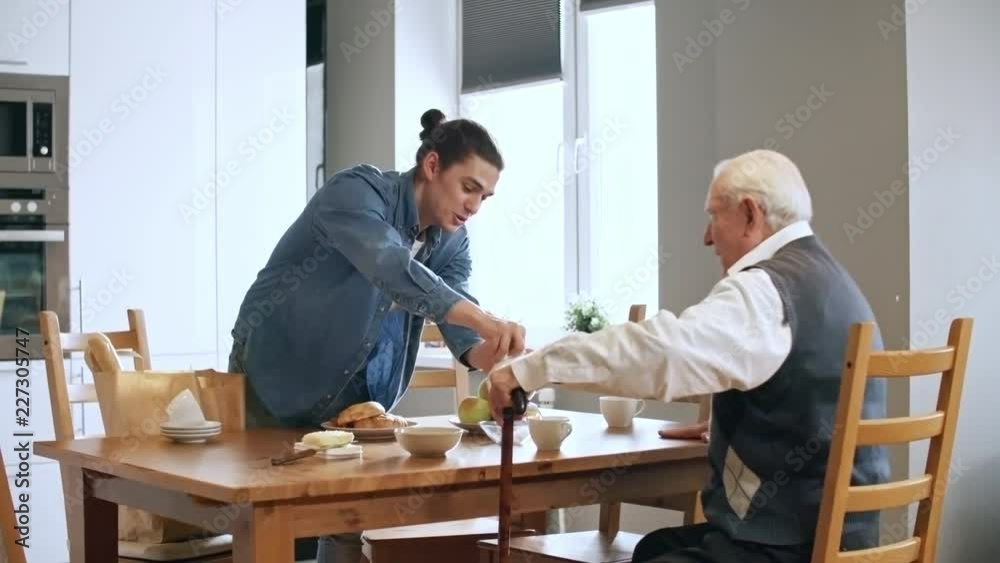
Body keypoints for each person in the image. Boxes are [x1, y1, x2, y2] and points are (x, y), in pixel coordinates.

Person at [487, 149, 890, 563]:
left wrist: (532, 369)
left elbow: (658, 354)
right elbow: (806, 395)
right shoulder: (833, 282)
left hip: (787, 547)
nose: (707, 237)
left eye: (715, 216)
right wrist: (726, 428)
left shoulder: (765, 292)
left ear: (750, 214)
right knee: (653, 548)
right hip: (844, 539)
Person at [228, 109, 526, 562]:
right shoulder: (356, 193)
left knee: (346, 525)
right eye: (469, 187)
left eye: (485, 197)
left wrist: (508, 359)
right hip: (277, 378)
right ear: (432, 165)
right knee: (276, 526)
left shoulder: (452, 240)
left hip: (354, 405)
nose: (474, 207)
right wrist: (486, 320)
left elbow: (461, 325)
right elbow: (391, 266)